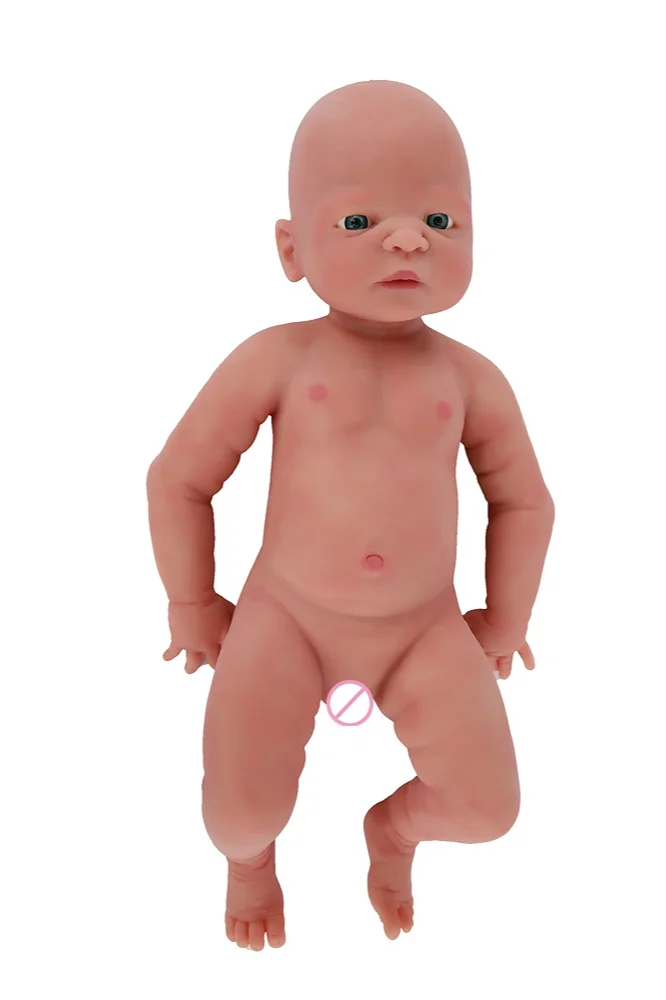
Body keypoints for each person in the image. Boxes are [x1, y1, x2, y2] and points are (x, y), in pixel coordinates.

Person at [146, 79, 555, 951]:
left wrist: (507, 615)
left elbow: (524, 499)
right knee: (237, 813)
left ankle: (392, 832)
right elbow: (179, 478)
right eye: (360, 221)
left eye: (439, 220)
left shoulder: (471, 378)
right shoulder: (278, 358)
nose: (407, 238)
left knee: (488, 809)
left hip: (423, 627)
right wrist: (192, 601)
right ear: (291, 249)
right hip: (286, 617)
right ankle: (251, 866)